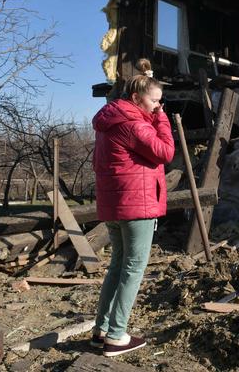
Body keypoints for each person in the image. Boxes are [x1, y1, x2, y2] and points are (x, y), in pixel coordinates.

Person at [90, 59, 174, 357]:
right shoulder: (135, 124)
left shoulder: (109, 123)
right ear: (137, 98)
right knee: (133, 269)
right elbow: (165, 152)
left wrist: (153, 117)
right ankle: (116, 335)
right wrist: (163, 121)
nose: (157, 107)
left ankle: (100, 330)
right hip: (136, 205)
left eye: (160, 103)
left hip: (114, 205)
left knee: (117, 266)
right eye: (154, 101)